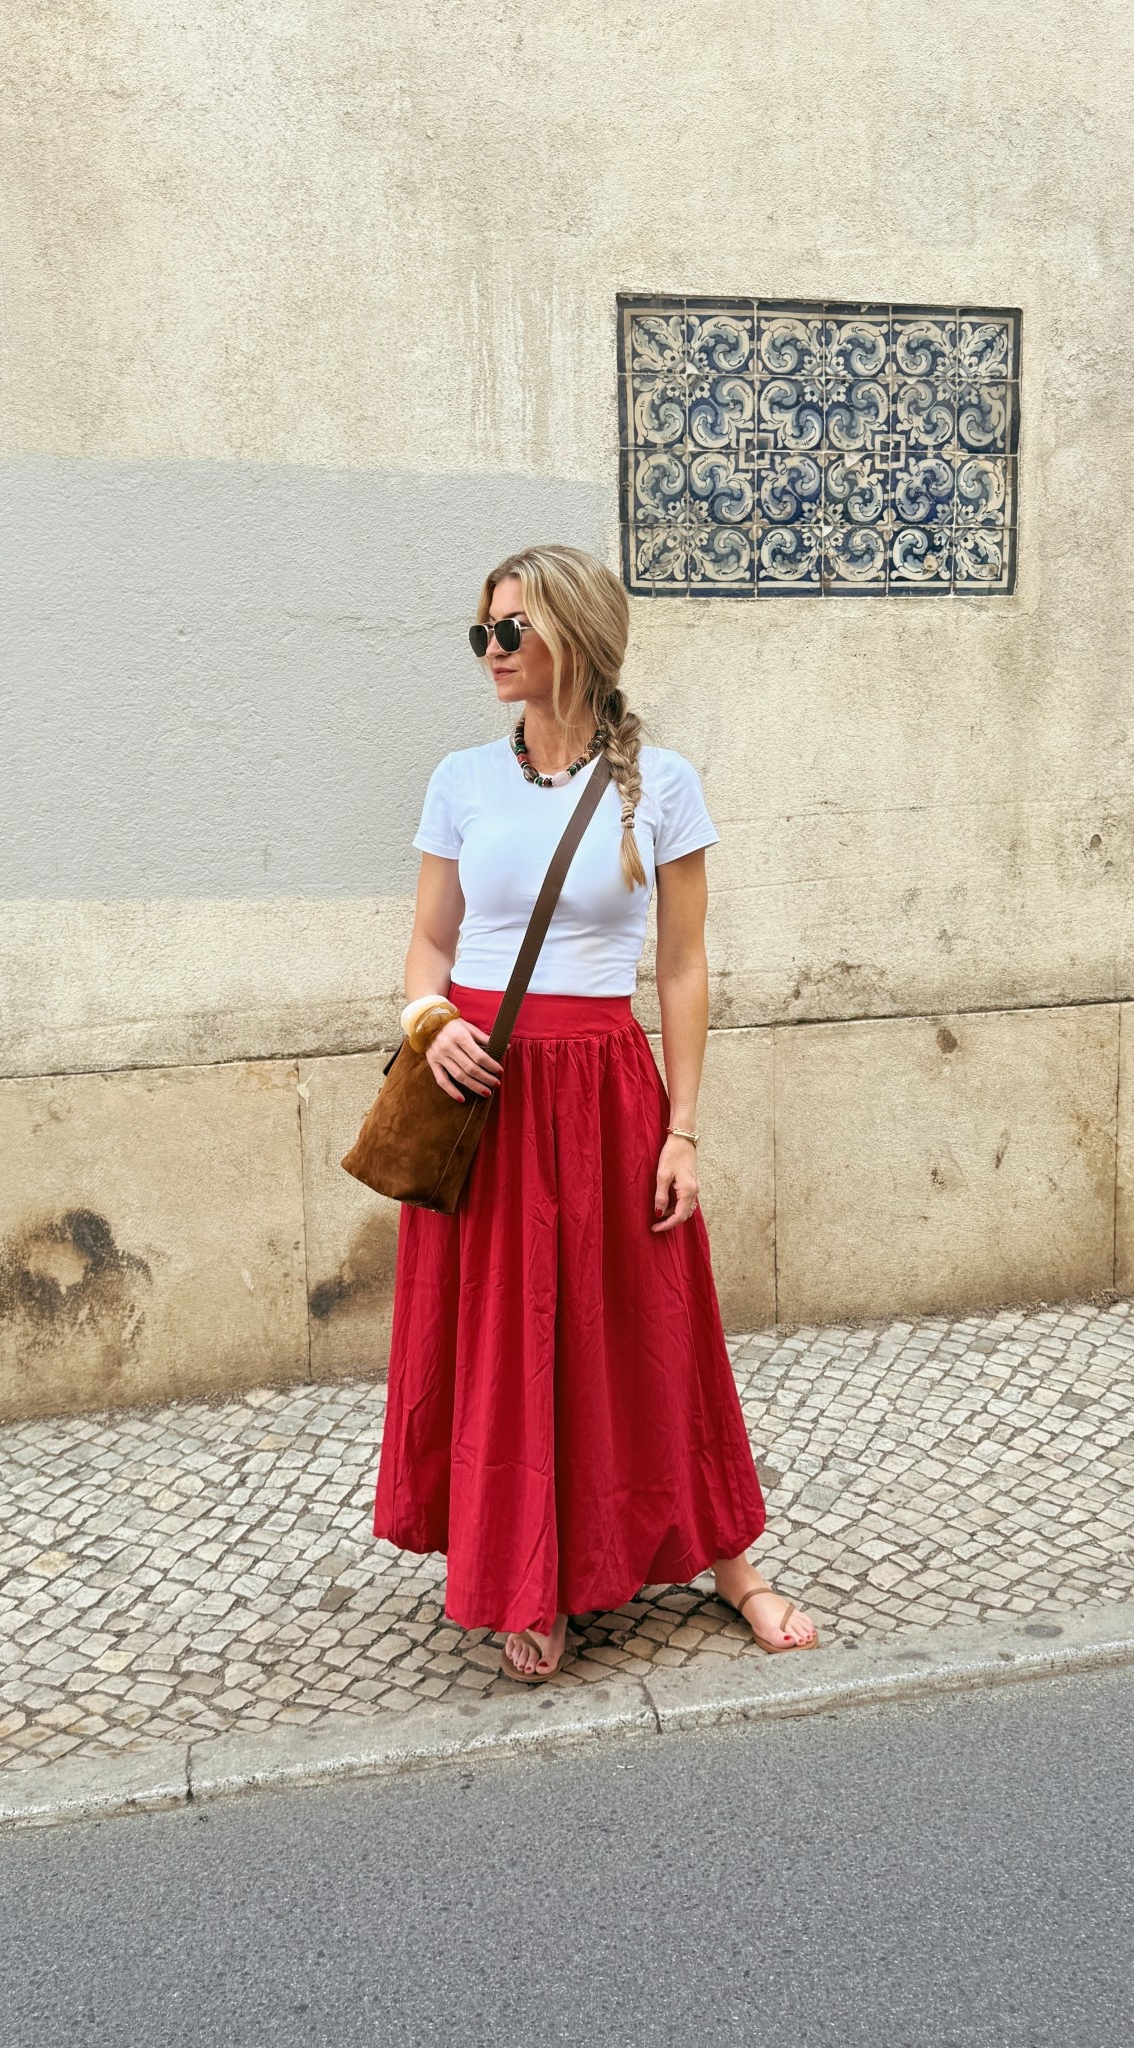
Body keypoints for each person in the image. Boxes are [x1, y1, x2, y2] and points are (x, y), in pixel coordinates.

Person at [373, 544, 817, 1680]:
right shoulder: (459, 779)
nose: (492, 652)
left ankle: (733, 1563)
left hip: (606, 1090)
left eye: (511, 631)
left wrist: (684, 1127)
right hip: (481, 1088)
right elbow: (426, 947)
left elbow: (681, 966)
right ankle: (531, 1575)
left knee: (650, 1326)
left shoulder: (659, 783)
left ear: (574, 635)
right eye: (483, 633)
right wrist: (431, 1026)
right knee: (507, 1339)